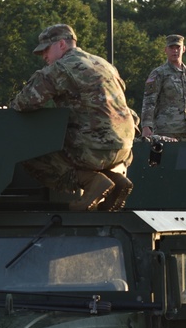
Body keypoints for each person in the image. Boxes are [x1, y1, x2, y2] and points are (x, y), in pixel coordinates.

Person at [10, 24, 135, 211]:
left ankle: (92, 182)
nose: (44, 57)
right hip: (124, 149)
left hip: (93, 148)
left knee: (28, 151)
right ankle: (117, 180)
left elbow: (23, 104)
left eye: (46, 50)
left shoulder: (61, 68)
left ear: (61, 44)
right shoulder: (104, 64)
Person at [140, 34, 186, 142]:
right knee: (166, 159)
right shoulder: (158, 73)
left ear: (183, 49)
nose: (175, 51)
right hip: (165, 131)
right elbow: (149, 102)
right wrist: (146, 126)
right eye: (171, 48)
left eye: (178, 47)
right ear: (166, 50)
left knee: (185, 159)